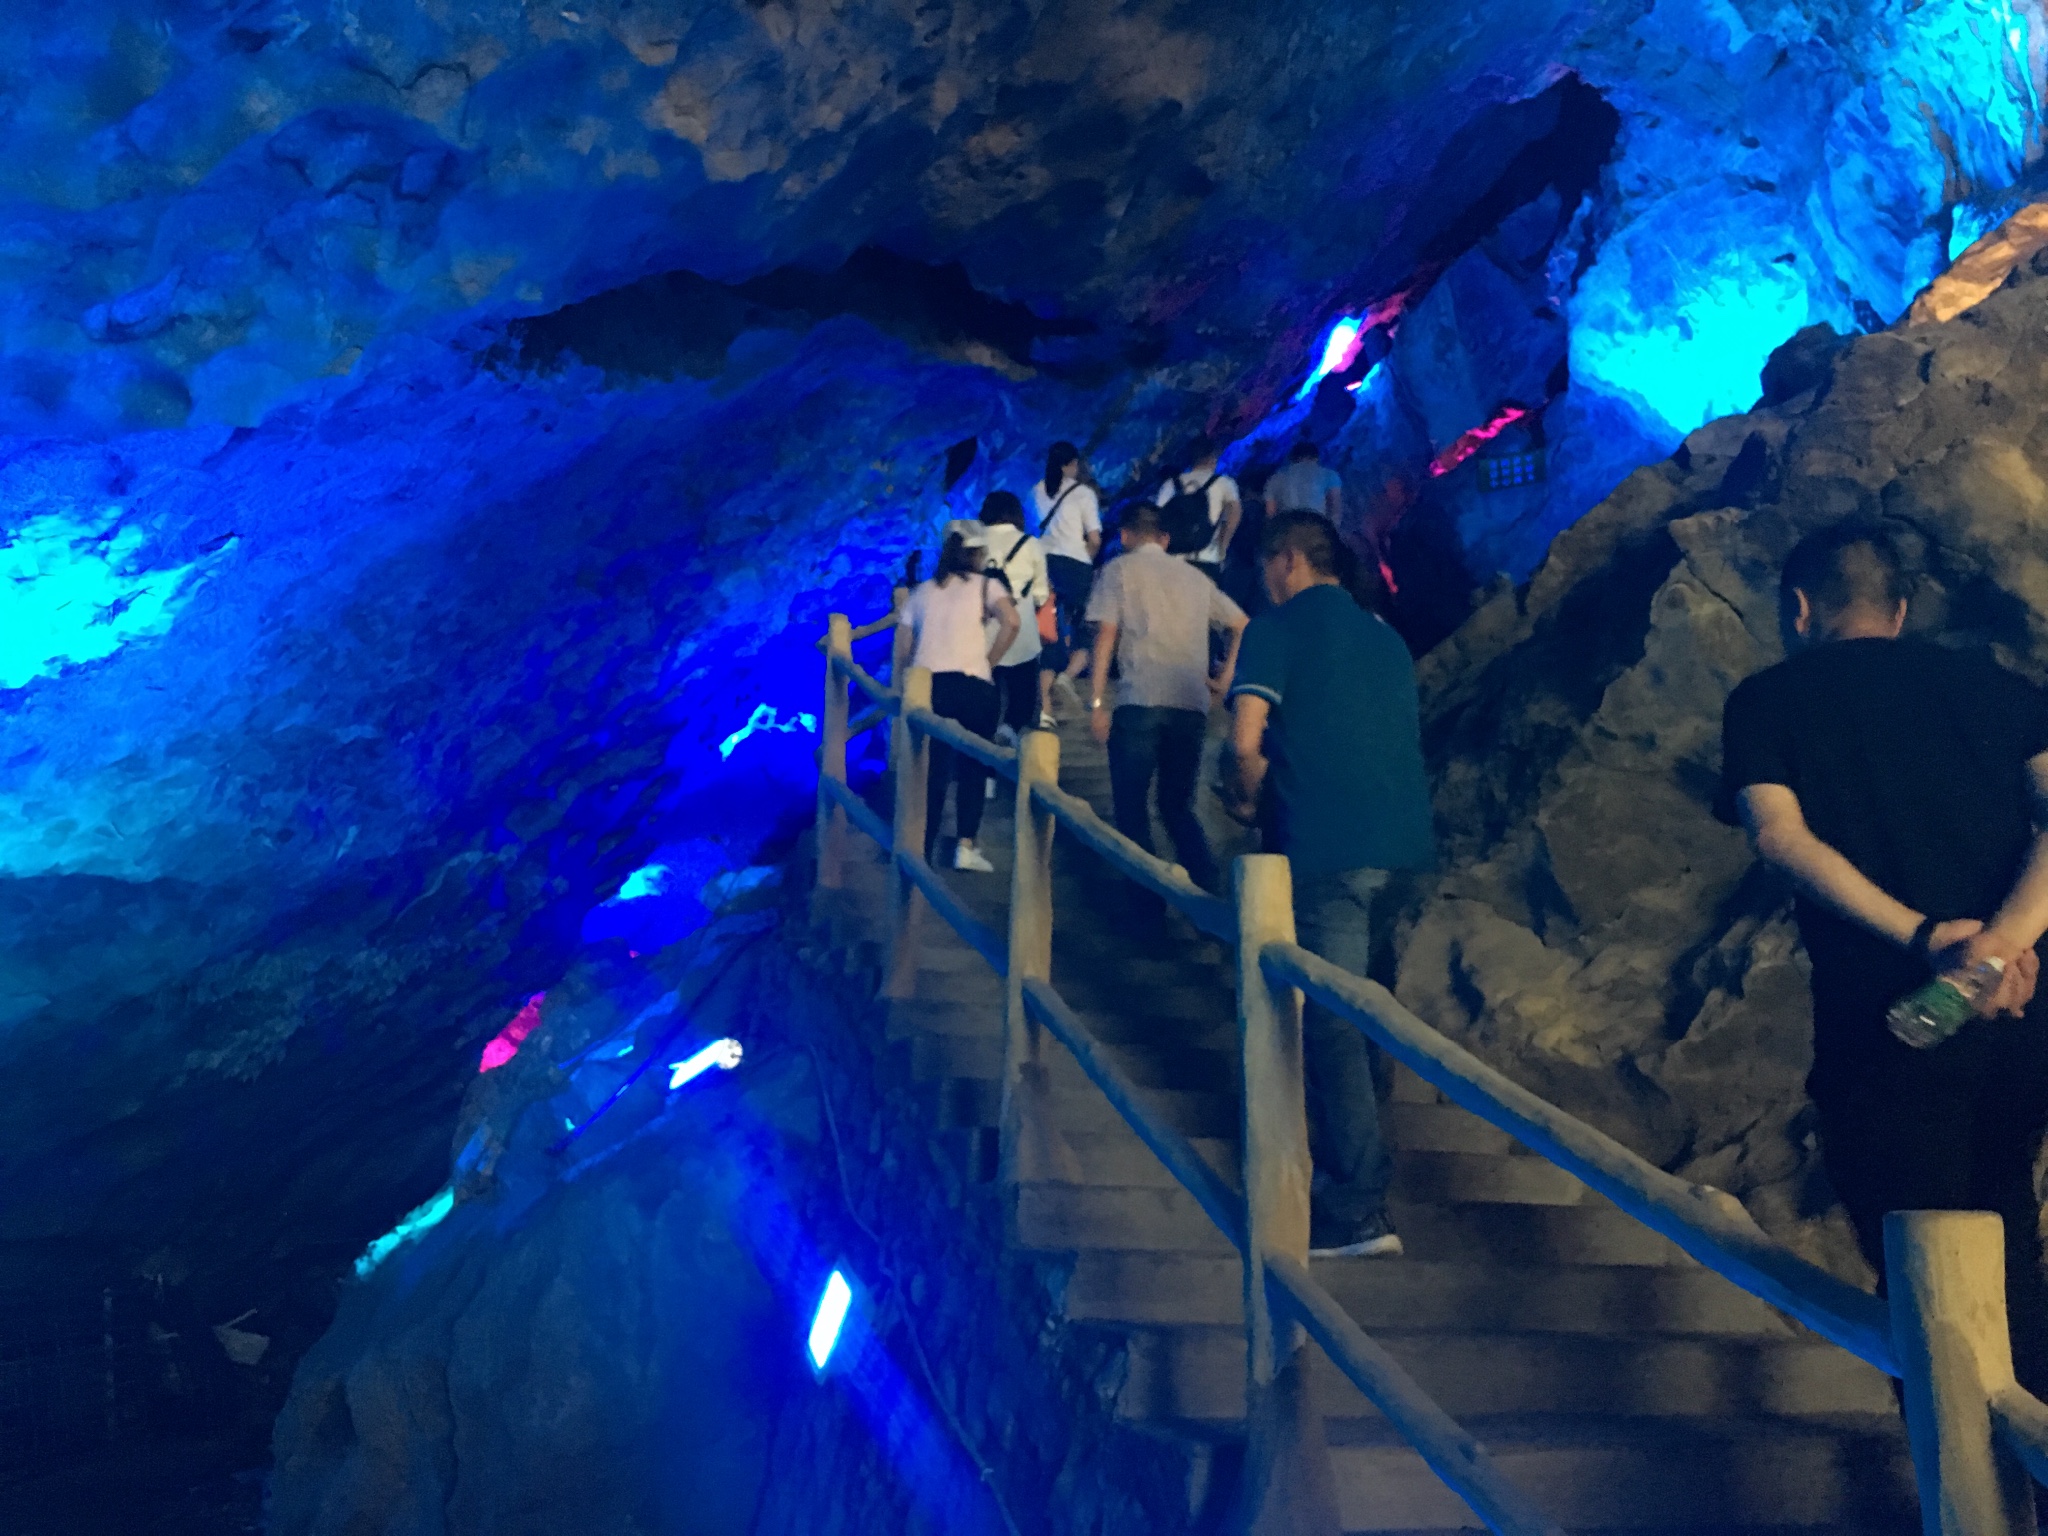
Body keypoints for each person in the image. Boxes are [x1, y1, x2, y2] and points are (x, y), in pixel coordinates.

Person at [1716, 519, 2048, 1392]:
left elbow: (1780, 838)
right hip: (2013, 1010)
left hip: (1888, 1020)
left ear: (1797, 609)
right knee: (2010, 1234)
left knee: (1917, 1267)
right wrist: (2003, 941)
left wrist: (1925, 936)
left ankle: (1961, 1500)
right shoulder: (1995, 688)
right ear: (1899, 611)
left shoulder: (1768, 700)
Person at [1226, 512, 1435, 1259]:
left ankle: (1356, 1210)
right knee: (1368, 1013)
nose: (1262, 578)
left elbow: (1245, 741)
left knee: (1335, 1026)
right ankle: (1360, 1169)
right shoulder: (1385, 637)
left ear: (1288, 560)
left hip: (1328, 847)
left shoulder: (1273, 630)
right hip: (1407, 850)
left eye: (1265, 563)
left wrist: (1246, 802)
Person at [1085, 502, 1248, 898]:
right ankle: (1208, 895)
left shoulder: (1118, 571)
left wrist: (1095, 702)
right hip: (1190, 703)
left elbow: (1105, 635)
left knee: (1132, 807)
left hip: (1140, 697)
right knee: (1176, 806)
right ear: (1165, 539)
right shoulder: (1194, 577)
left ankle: (1146, 906)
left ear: (1125, 535)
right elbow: (1240, 624)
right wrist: (1223, 678)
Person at [900, 522, 1020, 873]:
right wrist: (990, 660)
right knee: (973, 766)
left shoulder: (920, 592)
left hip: (931, 688)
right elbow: (1011, 621)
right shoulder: (988, 585)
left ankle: (922, 845)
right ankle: (965, 844)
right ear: (976, 553)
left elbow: (903, 648)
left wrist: (904, 684)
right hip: (974, 685)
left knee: (932, 769)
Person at [978, 491, 1054, 738]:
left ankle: (986, 752)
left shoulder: (975, 543)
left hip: (982, 634)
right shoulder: (1031, 544)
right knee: (1022, 697)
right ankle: (1009, 731)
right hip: (1021, 635)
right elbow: (1041, 595)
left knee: (986, 696)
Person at [1033, 441, 1101, 706]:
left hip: (1045, 563)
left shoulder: (1035, 490)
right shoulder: (1084, 493)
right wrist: (1088, 559)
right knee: (1085, 625)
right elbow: (1094, 539)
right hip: (1076, 565)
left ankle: (1046, 696)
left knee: (1050, 626)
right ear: (1069, 465)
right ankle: (1068, 676)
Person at [1155, 434, 1243, 582]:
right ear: (1212, 457)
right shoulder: (1223, 483)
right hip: (1207, 558)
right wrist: (1223, 547)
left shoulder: (1170, 485)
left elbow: (1155, 518)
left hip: (1172, 559)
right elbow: (1235, 512)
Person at [1264, 439, 1342, 520]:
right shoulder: (1329, 475)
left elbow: (1271, 512)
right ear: (1316, 457)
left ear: (1291, 458)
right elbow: (1335, 507)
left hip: (1288, 526)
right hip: (1317, 525)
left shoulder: (1276, 478)